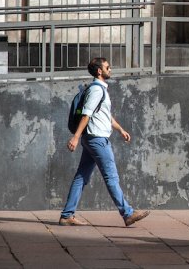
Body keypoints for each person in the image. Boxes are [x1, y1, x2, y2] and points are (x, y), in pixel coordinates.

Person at [59, 57, 150, 227]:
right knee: (111, 177)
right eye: (108, 67)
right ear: (100, 71)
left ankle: (66, 215)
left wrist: (120, 130)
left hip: (92, 138)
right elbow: (87, 113)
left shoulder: (99, 90)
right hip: (97, 140)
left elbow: (105, 116)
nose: (111, 69)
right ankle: (127, 213)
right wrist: (76, 137)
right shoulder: (96, 90)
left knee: (81, 177)